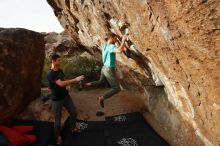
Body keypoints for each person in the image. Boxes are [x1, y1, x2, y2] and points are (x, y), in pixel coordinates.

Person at [47, 54, 84, 145]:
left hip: (66, 97)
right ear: (53, 61)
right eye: (58, 60)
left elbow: (63, 80)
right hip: (56, 100)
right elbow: (60, 84)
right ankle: (58, 137)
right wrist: (75, 80)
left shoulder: (60, 70)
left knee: (74, 112)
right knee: (58, 120)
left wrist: (70, 83)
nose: (60, 62)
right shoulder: (51, 73)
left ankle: (73, 128)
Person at [85, 32, 127, 108]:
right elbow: (120, 51)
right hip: (108, 69)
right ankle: (102, 98)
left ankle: (87, 84)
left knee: (100, 81)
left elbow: (109, 57)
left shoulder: (104, 46)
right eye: (115, 39)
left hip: (104, 68)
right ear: (111, 38)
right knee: (116, 88)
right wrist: (123, 41)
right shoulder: (111, 46)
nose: (116, 41)